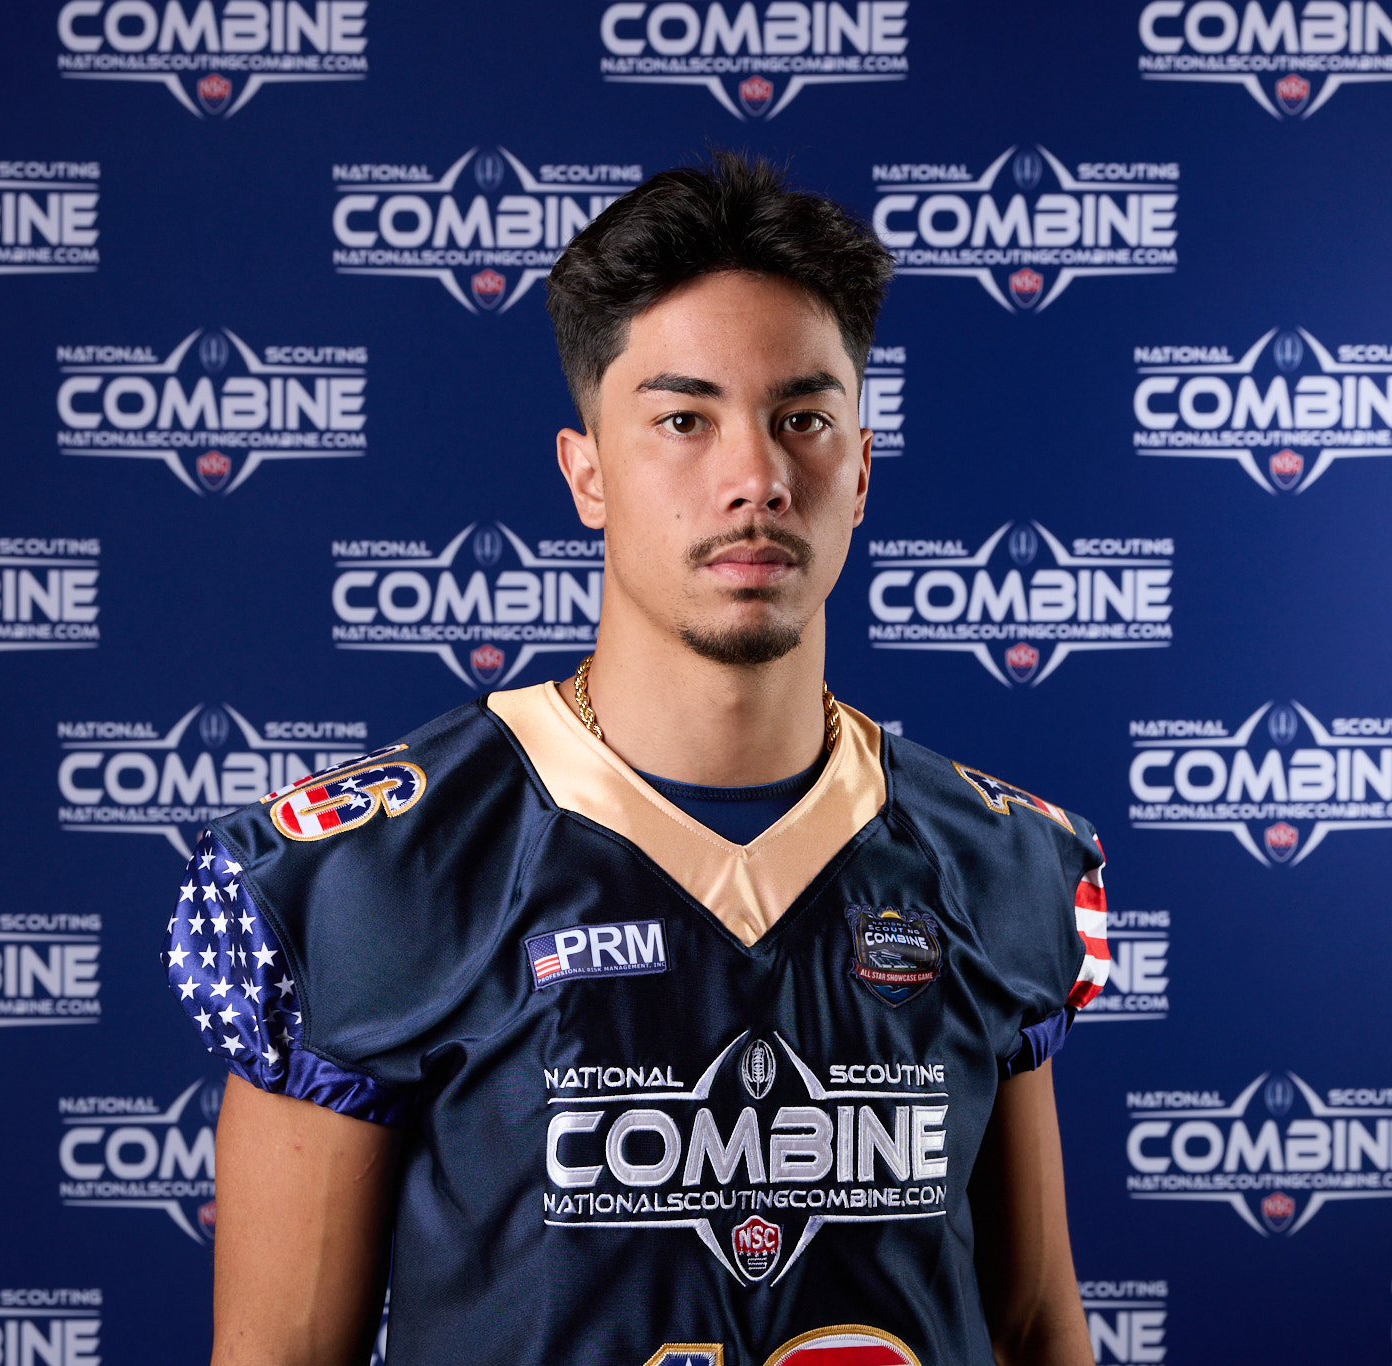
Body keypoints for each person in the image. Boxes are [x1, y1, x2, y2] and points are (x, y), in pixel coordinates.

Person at [168, 151, 1111, 1366]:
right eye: (682, 420)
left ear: (860, 471)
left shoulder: (996, 862)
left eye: (802, 419)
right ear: (588, 474)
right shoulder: (375, 869)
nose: (755, 479)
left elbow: (1031, 1327)